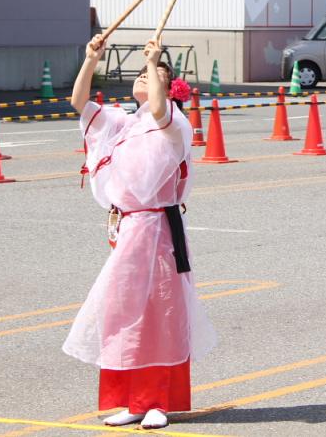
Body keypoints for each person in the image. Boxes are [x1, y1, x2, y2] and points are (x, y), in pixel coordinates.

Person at [64, 32, 216, 430]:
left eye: (153, 75)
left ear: (169, 88)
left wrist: (156, 61)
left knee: (160, 314)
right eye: (141, 74)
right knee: (122, 312)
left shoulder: (173, 124)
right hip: (130, 227)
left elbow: (162, 113)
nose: (144, 78)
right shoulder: (123, 122)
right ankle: (132, 399)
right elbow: (80, 103)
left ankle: (159, 403)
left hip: (159, 228)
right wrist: (90, 58)